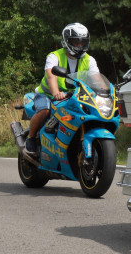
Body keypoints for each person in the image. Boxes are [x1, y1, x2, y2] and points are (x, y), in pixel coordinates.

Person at [25, 23, 100, 157]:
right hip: (47, 95)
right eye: (75, 41)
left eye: (82, 42)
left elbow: (97, 80)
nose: (79, 45)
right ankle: (30, 138)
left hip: (75, 96)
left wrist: (104, 92)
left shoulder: (89, 60)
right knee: (45, 110)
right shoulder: (54, 56)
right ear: (67, 41)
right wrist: (56, 94)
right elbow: (51, 76)